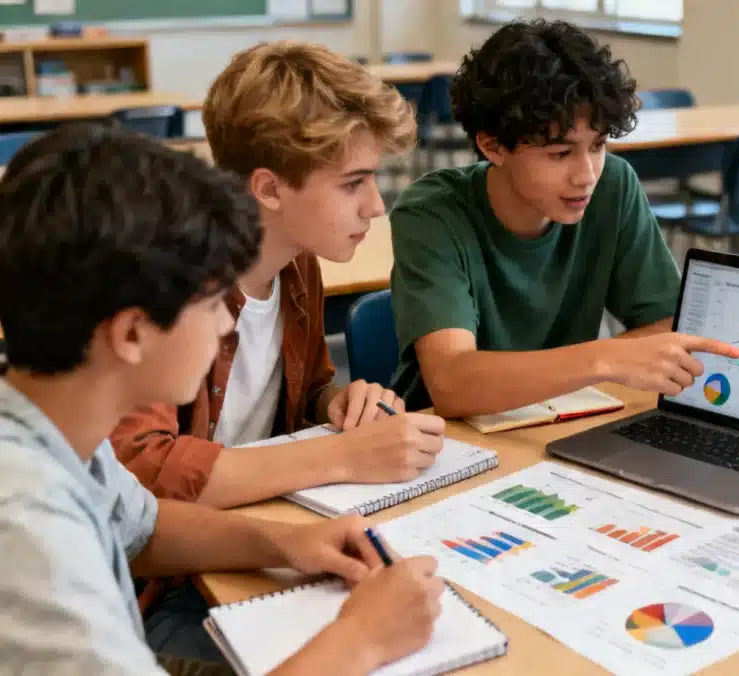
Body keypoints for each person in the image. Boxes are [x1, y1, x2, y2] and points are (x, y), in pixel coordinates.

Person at [0, 124, 444, 676]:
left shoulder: (54, 426)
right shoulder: (25, 526)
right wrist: (362, 641)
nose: (227, 320)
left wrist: (288, 544)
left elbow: (143, 528)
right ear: (132, 334)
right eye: (212, 301)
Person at [111, 41, 446, 511]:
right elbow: (141, 470)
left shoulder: (296, 261)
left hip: (260, 519)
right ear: (269, 189)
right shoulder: (167, 280)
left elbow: (303, 388)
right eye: (353, 183)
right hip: (178, 567)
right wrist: (340, 455)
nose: (375, 205)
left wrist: (335, 402)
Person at [389, 19, 739, 417]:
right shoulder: (432, 213)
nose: (586, 175)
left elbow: (668, 326)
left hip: (561, 421)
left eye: (598, 145)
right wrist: (603, 360)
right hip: (445, 443)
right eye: (560, 154)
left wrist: (601, 362)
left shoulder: (613, 185)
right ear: (492, 146)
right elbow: (453, 384)